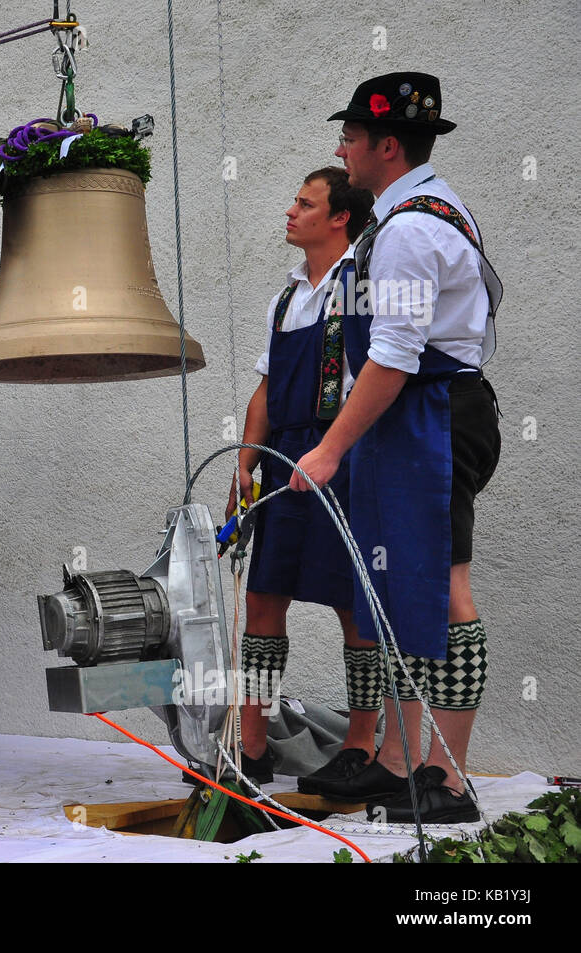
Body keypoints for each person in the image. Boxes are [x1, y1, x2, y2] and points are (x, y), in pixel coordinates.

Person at [290, 73, 501, 823]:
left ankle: (448, 778)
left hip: (430, 413)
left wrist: (329, 449)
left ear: (385, 145)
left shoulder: (410, 228)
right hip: (412, 416)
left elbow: (395, 356)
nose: (341, 147)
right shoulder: (410, 215)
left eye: (350, 136)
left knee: (444, 593)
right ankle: (395, 764)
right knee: (401, 591)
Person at [227, 167, 375, 788]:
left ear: (339, 217)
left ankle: (362, 749)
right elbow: (265, 386)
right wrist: (245, 460)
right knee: (263, 598)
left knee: (353, 603)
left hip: (342, 452)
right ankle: (251, 748)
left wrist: (341, 449)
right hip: (285, 453)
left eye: (304, 202)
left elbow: (379, 375)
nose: (290, 211)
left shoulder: (362, 286)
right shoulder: (284, 297)